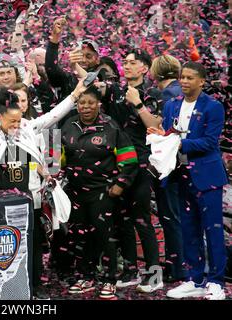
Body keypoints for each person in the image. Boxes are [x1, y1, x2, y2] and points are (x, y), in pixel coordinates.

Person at [0, 78, 86, 300]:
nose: (17, 125)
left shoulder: (27, 128)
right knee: (4, 244)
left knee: (31, 244)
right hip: (0, 202)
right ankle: (5, 288)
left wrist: (75, 95)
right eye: (12, 121)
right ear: (0, 116)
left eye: (19, 120)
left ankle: (33, 286)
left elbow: (53, 116)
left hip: (30, 199)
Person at [149, 62, 228, 300]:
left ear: (201, 81)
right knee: (189, 230)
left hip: (206, 176)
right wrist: (161, 138)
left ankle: (216, 282)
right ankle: (195, 279)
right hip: (180, 175)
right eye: (182, 77)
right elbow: (168, 133)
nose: (184, 81)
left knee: (213, 231)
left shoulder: (213, 107)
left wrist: (178, 143)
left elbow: (210, 142)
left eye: (190, 78)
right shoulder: (171, 105)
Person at [61, 85, 138, 299]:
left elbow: (130, 159)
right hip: (75, 193)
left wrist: (119, 185)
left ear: (99, 105)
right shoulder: (67, 125)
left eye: (90, 103)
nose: (86, 107)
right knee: (79, 236)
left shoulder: (111, 126)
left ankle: (109, 279)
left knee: (105, 237)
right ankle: (86, 276)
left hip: (103, 193)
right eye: (82, 103)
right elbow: (55, 157)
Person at [98, 49, 163, 293]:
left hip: (142, 164)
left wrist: (137, 102)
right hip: (118, 162)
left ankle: (154, 275)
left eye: (133, 63)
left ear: (145, 68)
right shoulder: (115, 90)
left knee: (142, 220)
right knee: (122, 220)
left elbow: (155, 126)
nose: (127, 65)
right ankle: (130, 270)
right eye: (124, 62)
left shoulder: (152, 93)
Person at [149, 54, 185, 283]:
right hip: (183, 162)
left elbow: (166, 131)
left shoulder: (167, 94)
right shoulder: (180, 90)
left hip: (171, 164)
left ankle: (178, 268)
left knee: (171, 216)